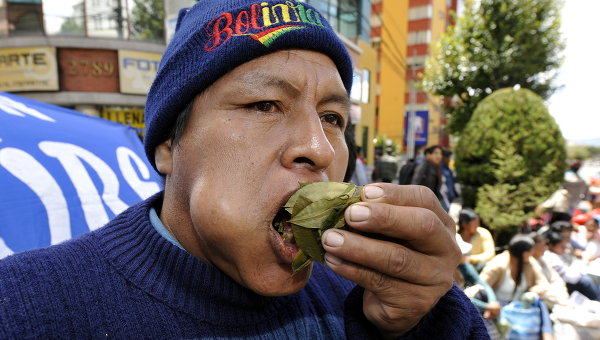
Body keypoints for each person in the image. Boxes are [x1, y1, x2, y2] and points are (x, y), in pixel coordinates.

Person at [0, 1, 488, 339]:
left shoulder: (360, 299)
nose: (319, 149)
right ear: (169, 144)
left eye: (333, 118)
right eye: (263, 105)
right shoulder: (22, 309)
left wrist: (422, 322)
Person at [479, 234, 553, 340]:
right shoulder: (498, 265)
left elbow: (542, 283)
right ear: (524, 253)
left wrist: (534, 291)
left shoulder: (530, 263)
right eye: (531, 251)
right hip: (499, 311)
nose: (532, 254)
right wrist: (489, 305)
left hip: (521, 308)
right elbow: (480, 286)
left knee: (540, 303)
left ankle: (548, 335)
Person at [411, 145, 446, 210]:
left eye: (440, 154)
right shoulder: (423, 166)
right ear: (428, 155)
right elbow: (415, 184)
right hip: (422, 205)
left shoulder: (437, 168)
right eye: (436, 153)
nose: (439, 156)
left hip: (431, 204)